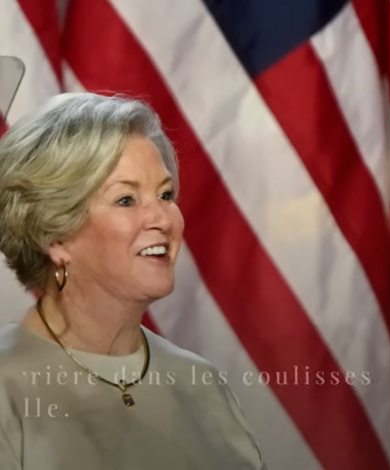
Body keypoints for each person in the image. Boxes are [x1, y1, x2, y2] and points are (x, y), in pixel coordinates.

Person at [0, 93, 267, 469]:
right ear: (54, 236)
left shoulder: (200, 382)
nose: (163, 219)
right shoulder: (7, 387)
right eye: (126, 199)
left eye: (165, 194)